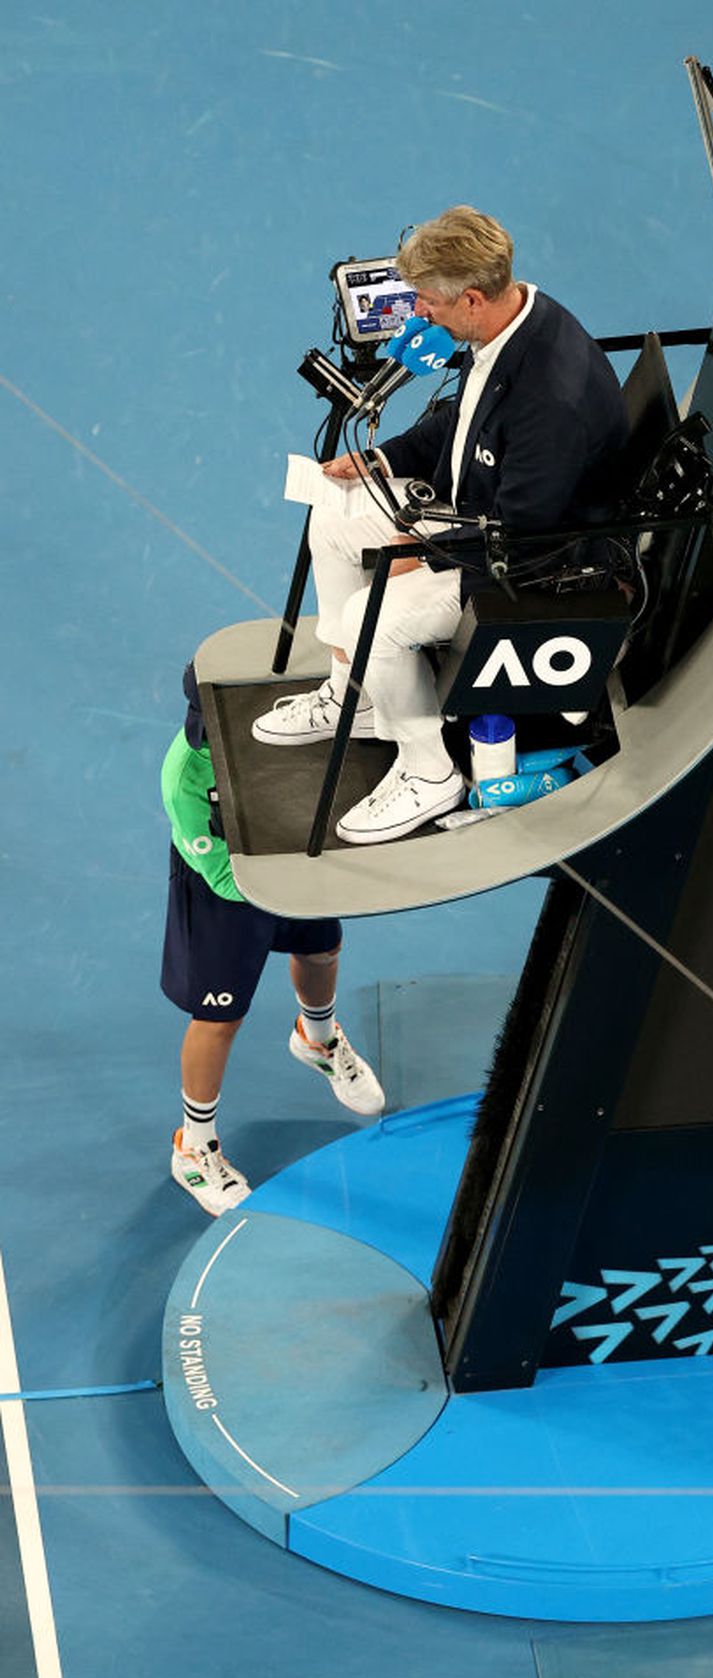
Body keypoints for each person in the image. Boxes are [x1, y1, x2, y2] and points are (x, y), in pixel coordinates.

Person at [251, 205, 629, 844]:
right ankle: (359, 697)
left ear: (473, 299)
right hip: (479, 513)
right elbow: (458, 421)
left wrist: (422, 550)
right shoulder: (509, 323)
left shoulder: (551, 400)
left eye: (425, 301)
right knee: (333, 520)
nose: (417, 313)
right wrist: (381, 458)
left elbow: (524, 528)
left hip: (543, 563)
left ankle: (429, 771)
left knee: (375, 623)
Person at [162, 666, 384, 1215]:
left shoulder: (273, 722)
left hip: (284, 852)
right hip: (225, 890)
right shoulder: (185, 776)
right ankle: (194, 1148)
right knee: (219, 1018)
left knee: (321, 949)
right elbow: (221, 877)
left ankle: (317, 1039)